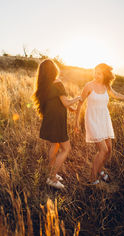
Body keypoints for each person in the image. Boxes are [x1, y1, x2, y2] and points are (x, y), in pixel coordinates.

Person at [75, 63, 124, 185]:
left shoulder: (106, 86)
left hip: (104, 119)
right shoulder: (89, 86)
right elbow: (80, 103)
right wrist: (76, 123)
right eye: (95, 72)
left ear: (105, 74)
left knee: (109, 150)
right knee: (103, 150)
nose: (96, 75)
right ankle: (92, 179)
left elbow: (116, 95)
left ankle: (99, 170)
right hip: (92, 119)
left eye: (99, 73)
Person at [33, 59, 81, 189]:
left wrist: (70, 108)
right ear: (54, 70)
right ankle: (52, 177)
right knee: (66, 148)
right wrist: (77, 98)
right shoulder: (58, 83)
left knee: (54, 145)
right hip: (57, 120)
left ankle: (51, 173)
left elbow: (56, 101)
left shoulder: (44, 85)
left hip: (50, 119)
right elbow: (65, 102)